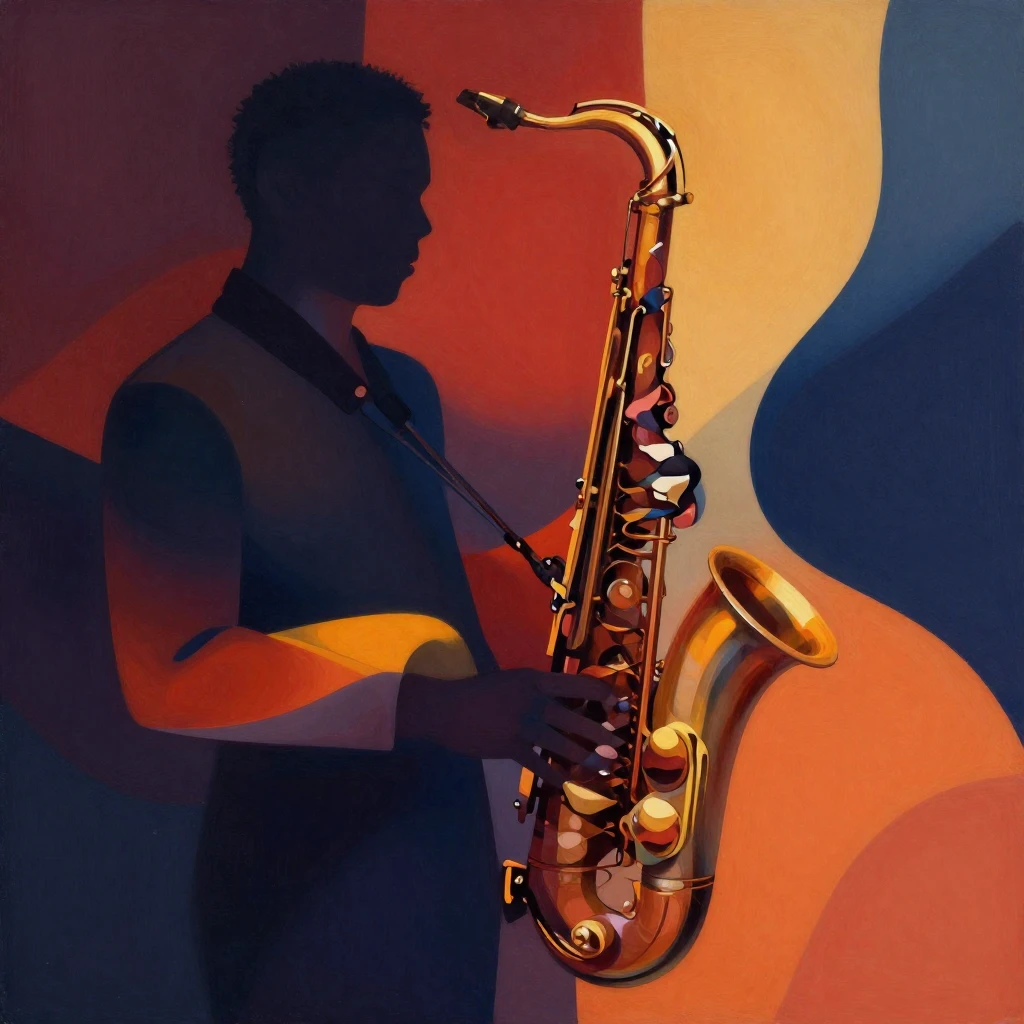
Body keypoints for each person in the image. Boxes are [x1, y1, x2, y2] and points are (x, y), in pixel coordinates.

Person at [101, 61, 620, 1024]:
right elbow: (168, 675)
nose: (421, 225)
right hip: (307, 891)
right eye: (393, 190)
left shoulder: (403, 387)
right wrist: (442, 711)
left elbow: (418, 609)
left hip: (440, 863)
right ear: (286, 188)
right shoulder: (176, 403)